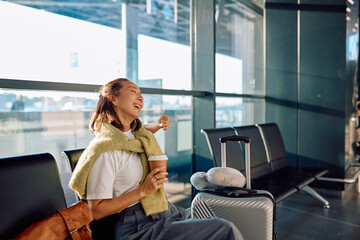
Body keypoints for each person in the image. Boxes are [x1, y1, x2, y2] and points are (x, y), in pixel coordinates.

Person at [69, 78, 243, 240]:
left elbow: (144, 130)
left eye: (141, 94)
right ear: (114, 98)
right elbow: (96, 210)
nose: (141, 97)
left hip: (161, 210)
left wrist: (158, 125)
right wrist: (143, 191)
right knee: (223, 228)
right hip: (135, 225)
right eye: (133, 91)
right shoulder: (105, 150)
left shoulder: (135, 138)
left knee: (211, 219)